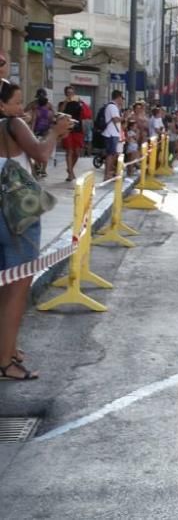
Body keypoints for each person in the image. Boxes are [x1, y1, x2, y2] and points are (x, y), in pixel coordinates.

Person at [0, 78, 73, 380]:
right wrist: (55, 132)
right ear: (2, 105)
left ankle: (8, 348)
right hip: (18, 215)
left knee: (4, 284)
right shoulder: (12, 125)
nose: (21, 109)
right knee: (18, 289)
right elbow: (42, 155)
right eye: (17, 103)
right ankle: (5, 362)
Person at [58, 85, 86, 181]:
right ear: (66, 94)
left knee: (77, 153)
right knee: (69, 151)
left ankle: (70, 168)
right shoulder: (62, 103)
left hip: (77, 128)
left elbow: (85, 114)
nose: (70, 94)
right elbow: (60, 112)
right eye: (68, 92)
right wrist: (66, 102)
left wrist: (80, 102)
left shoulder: (79, 102)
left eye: (72, 92)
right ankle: (70, 173)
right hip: (67, 128)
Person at [26, 88, 53, 178]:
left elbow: (25, 111)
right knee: (42, 150)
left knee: (40, 150)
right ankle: (41, 169)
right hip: (42, 130)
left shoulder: (35, 105)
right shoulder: (42, 105)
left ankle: (41, 168)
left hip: (40, 130)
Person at [102, 90, 124, 181]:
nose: (122, 100)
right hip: (111, 133)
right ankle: (107, 174)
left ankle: (109, 172)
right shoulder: (112, 106)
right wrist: (124, 118)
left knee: (112, 153)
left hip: (113, 133)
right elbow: (116, 119)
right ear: (118, 97)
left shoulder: (113, 107)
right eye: (122, 98)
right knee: (110, 154)